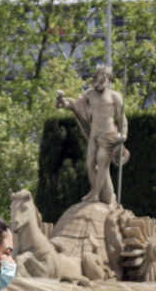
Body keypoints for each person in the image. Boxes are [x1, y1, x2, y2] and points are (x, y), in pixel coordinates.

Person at [55, 64, 130, 206]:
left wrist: (123, 134)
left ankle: (95, 194)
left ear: (108, 80)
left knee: (102, 162)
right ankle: (96, 191)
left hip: (109, 134)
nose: (98, 84)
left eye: (102, 80)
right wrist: (62, 102)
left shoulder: (115, 96)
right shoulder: (90, 94)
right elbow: (76, 104)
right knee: (90, 164)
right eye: (96, 80)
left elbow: (121, 118)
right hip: (94, 134)